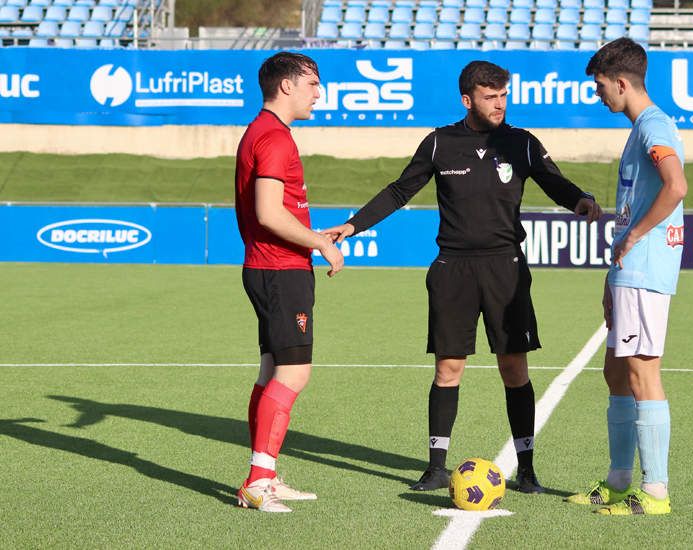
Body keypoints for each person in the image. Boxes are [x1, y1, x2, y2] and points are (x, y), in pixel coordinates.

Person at [323, 61, 602, 494]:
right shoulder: (439, 143)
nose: (500, 104)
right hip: (452, 268)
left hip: (505, 268)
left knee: (514, 368)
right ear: (467, 99)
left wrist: (580, 200)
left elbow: (554, 182)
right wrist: (353, 225)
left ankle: (526, 469)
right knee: (449, 367)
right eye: (491, 97)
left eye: (504, 96)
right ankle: (436, 467)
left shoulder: (522, 143)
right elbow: (400, 190)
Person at [565, 38, 687, 515]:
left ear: (621, 82)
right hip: (629, 270)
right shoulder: (639, 130)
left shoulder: (654, 126)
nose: (598, 95)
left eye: (600, 86)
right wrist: (615, 268)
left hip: (646, 268)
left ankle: (655, 492)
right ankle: (618, 480)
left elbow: (676, 186)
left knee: (641, 372)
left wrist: (634, 236)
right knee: (616, 371)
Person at [234, 52, 344, 513]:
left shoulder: (261, 131)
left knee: (271, 372)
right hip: (280, 270)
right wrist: (321, 242)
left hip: (267, 268)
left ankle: (266, 476)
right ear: (287, 86)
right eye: (313, 84)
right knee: (295, 372)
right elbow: (268, 212)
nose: (318, 93)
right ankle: (258, 480)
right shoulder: (275, 138)